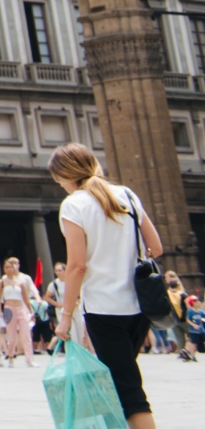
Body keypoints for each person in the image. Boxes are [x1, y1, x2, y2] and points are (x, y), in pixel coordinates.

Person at [52, 142, 161, 429]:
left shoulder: (73, 204)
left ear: (64, 176)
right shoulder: (126, 194)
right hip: (139, 308)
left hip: (104, 310)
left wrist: (65, 317)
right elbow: (156, 247)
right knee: (119, 384)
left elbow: (76, 266)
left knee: (128, 392)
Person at [0, 258, 41, 366]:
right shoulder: (2, 282)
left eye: (10, 267)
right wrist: (0, 310)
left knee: (26, 334)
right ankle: (11, 356)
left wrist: (31, 312)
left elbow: (25, 299)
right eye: (6, 267)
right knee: (12, 336)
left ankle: (29, 359)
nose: (9, 270)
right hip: (9, 308)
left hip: (20, 307)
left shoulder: (20, 282)